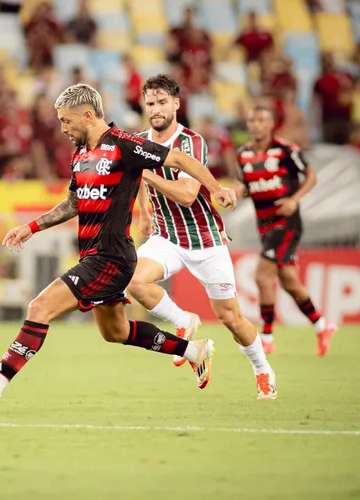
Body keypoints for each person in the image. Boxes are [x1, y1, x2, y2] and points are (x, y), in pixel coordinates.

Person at [0, 84, 238, 411]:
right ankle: (194, 351)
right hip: (94, 255)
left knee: (39, 308)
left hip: (110, 258)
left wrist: (215, 188)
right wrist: (31, 227)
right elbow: (73, 202)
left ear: (88, 115)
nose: (63, 128)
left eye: (66, 120)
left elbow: (179, 159)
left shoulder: (125, 145)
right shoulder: (81, 155)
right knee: (115, 331)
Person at [127, 75, 277, 399]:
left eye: (162, 102)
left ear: (176, 104)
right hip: (168, 238)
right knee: (134, 281)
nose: (156, 109)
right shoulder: (139, 141)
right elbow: (139, 180)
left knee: (232, 319)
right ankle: (183, 321)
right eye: (150, 103)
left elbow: (186, 194)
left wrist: (147, 174)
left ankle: (262, 369)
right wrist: (143, 212)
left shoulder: (191, 143)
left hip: (206, 241)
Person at [232, 106, 338, 357]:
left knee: (261, 276)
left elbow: (311, 176)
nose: (256, 125)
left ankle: (266, 336)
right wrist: (232, 192)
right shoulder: (243, 154)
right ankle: (323, 325)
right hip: (264, 224)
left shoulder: (285, 150)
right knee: (289, 280)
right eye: (252, 120)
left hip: (286, 222)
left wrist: (295, 199)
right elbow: (243, 184)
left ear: (271, 125)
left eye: (261, 120)